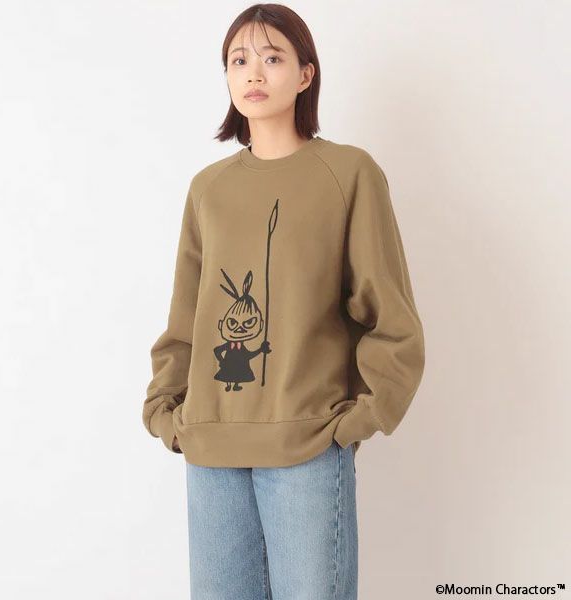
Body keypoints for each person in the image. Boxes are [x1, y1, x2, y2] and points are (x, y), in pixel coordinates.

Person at [142, 4, 425, 599]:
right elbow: (187, 316)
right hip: (211, 451)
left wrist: (358, 420)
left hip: (307, 448)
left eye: (272, 58)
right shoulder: (209, 189)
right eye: (238, 60)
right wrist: (168, 414)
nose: (253, 72)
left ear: (305, 74)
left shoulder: (348, 173)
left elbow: (389, 313)